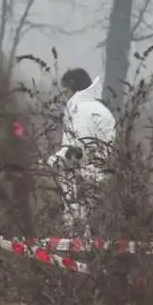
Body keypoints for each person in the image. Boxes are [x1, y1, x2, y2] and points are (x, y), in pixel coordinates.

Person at [46, 68, 116, 236]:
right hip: (100, 173)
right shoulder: (100, 109)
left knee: (78, 227)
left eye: (65, 90)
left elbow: (78, 149)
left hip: (81, 176)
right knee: (95, 227)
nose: (64, 96)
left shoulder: (82, 110)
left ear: (72, 86)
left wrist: (50, 162)